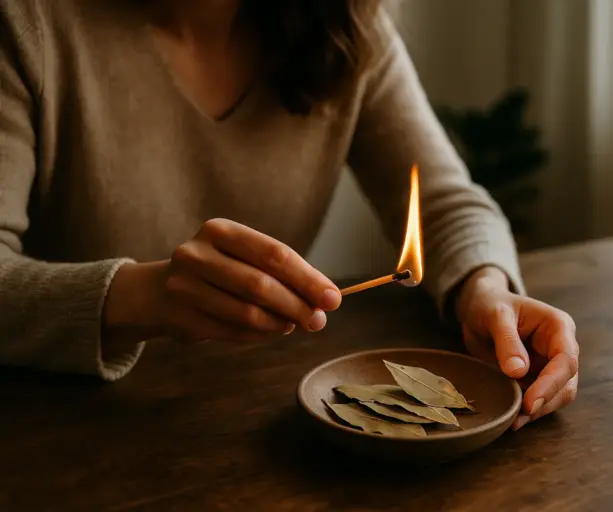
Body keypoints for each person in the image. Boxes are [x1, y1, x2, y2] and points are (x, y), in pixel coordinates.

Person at [0, 0, 578, 430]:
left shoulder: (347, 24)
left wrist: (485, 290)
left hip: (260, 422)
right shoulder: (29, 25)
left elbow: (449, 204)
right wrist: (139, 297)